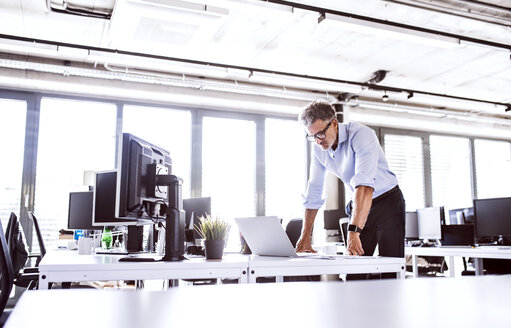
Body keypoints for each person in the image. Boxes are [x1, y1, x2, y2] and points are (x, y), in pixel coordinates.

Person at [295, 100, 405, 262]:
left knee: (390, 265)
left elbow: (365, 184)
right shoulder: (319, 149)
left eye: (320, 134)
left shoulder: (361, 134)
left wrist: (353, 231)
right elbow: (314, 191)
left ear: (334, 124)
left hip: (387, 202)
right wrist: (305, 237)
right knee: (354, 268)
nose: (318, 141)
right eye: (312, 136)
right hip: (359, 203)